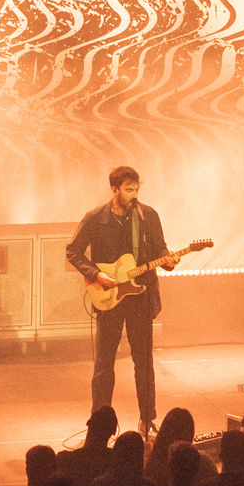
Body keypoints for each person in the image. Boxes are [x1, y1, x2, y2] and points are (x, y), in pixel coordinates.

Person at [65, 165, 175, 436]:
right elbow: (73, 251)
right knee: (105, 364)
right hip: (109, 298)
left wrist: (168, 259)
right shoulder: (95, 218)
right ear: (114, 190)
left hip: (141, 297)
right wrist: (96, 274)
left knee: (144, 362)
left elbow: (160, 248)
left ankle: (147, 418)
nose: (133, 194)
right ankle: (99, 422)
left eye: (136, 189)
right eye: (128, 190)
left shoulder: (148, 216)